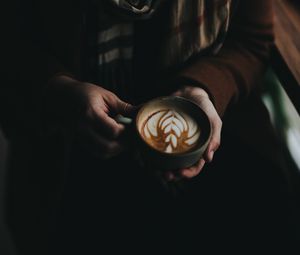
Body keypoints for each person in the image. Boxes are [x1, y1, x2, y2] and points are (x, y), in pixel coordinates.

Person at [1, 0, 298, 254]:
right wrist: (57, 90)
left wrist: (204, 88)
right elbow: (11, 44)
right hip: (71, 161)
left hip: (224, 143)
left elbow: (251, 39)